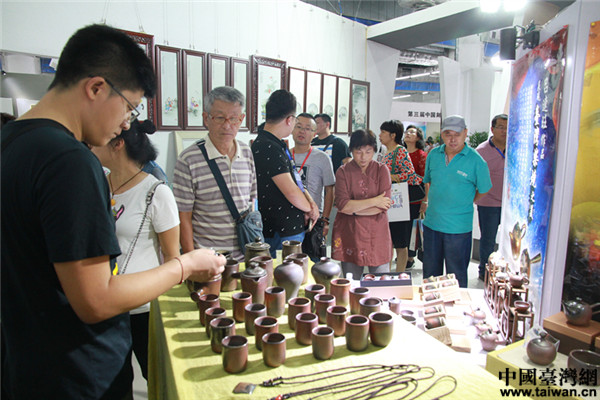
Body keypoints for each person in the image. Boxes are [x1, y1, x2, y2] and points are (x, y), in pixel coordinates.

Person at [1, 25, 224, 400]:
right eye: (129, 107)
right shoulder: (70, 161)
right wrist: (185, 265)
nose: (127, 123)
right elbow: (96, 299)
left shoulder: (11, 141)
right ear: (96, 88)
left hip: (26, 363)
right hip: (78, 374)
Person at [91, 119, 179, 381]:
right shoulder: (97, 184)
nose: (92, 145)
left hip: (144, 307)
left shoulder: (156, 192)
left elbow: (172, 257)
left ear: (118, 144)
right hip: (105, 303)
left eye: (100, 140)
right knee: (113, 381)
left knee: (154, 376)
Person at [173, 86, 256, 261]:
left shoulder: (247, 152)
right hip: (207, 259)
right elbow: (183, 217)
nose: (227, 125)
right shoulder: (188, 159)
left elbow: (251, 203)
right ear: (206, 118)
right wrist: (191, 262)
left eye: (233, 118)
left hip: (244, 257)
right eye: (219, 118)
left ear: (241, 119)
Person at [422, 115, 492, 287]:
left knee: (456, 277)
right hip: (432, 224)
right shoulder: (433, 155)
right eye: (448, 134)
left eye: (457, 134)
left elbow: (484, 189)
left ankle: (456, 305)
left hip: (458, 229)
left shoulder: (476, 160)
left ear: (465, 133)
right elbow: (428, 181)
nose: (452, 139)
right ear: (442, 134)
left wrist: (467, 200)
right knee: (430, 276)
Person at [252, 90, 319, 257]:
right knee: (287, 272)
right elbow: (291, 191)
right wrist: (310, 210)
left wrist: (310, 203)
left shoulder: (276, 144)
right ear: (289, 120)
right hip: (280, 230)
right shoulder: (268, 146)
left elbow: (296, 181)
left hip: (287, 228)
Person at [332, 129, 392, 280]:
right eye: (358, 152)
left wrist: (354, 208)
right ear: (351, 150)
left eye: (368, 151)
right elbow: (343, 205)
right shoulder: (343, 172)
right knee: (351, 282)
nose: (363, 157)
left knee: (381, 282)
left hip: (377, 233)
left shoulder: (382, 170)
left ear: (374, 151)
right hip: (351, 233)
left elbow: (384, 205)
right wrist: (374, 201)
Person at [379, 120, 424, 272]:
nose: (380, 135)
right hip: (387, 202)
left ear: (393, 135)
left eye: (383, 132)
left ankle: (399, 274)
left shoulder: (400, 151)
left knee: (400, 242)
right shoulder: (385, 152)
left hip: (399, 203)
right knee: (388, 241)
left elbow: (410, 175)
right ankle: (387, 272)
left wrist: (390, 177)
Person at [291, 113, 336, 237]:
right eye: (298, 127)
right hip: (289, 216)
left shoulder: (323, 158)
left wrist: (325, 219)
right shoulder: (284, 155)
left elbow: (330, 189)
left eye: (307, 128)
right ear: (292, 129)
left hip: (314, 218)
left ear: (314, 133)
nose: (302, 131)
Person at [475, 114, 508, 280]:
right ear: (492, 129)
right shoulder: (481, 151)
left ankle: (505, 272)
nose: (505, 131)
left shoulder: (516, 148)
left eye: (508, 127)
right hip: (488, 203)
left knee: (510, 240)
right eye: (501, 127)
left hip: (510, 204)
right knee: (488, 239)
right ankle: (484, 272)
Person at [403, 125, 429, 268]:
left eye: (412, 132)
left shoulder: (421, 155)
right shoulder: (400, 153)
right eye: (407, 132)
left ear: (418, 137)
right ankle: (403, 253)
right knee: (403, 228)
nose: (408, 134)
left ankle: (410, 257)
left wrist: (425, 200)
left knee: (413, 228)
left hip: (415, 197)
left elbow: (426, 180)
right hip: (401, 197)